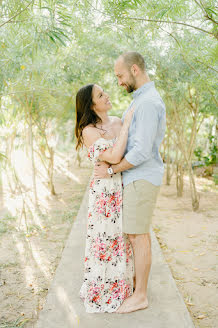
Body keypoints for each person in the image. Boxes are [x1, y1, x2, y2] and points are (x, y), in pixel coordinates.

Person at [94, 51, 166, 314]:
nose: (119, 82)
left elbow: (141, 152)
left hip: (141, 177)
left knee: (138, 236)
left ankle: (141, 296)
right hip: (136, 177)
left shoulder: (146, 102)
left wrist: (112, 170)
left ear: (134, 70)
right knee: (135, 234)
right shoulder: (140, 99)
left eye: (120, 76)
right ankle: (138, 287)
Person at [75, 83, 135, 313]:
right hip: (103, 193)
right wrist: (127, 124)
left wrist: (114, 168)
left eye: (104, 92)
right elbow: (113, 155)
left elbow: (127, 156)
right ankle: (101, 289)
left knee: (121, 240)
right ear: (91, 104)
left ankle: (121, 288)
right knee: (103, 239)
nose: (107, 95)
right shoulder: (88, 130)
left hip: (122, 186)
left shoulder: (118, 122)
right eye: (101, 95)